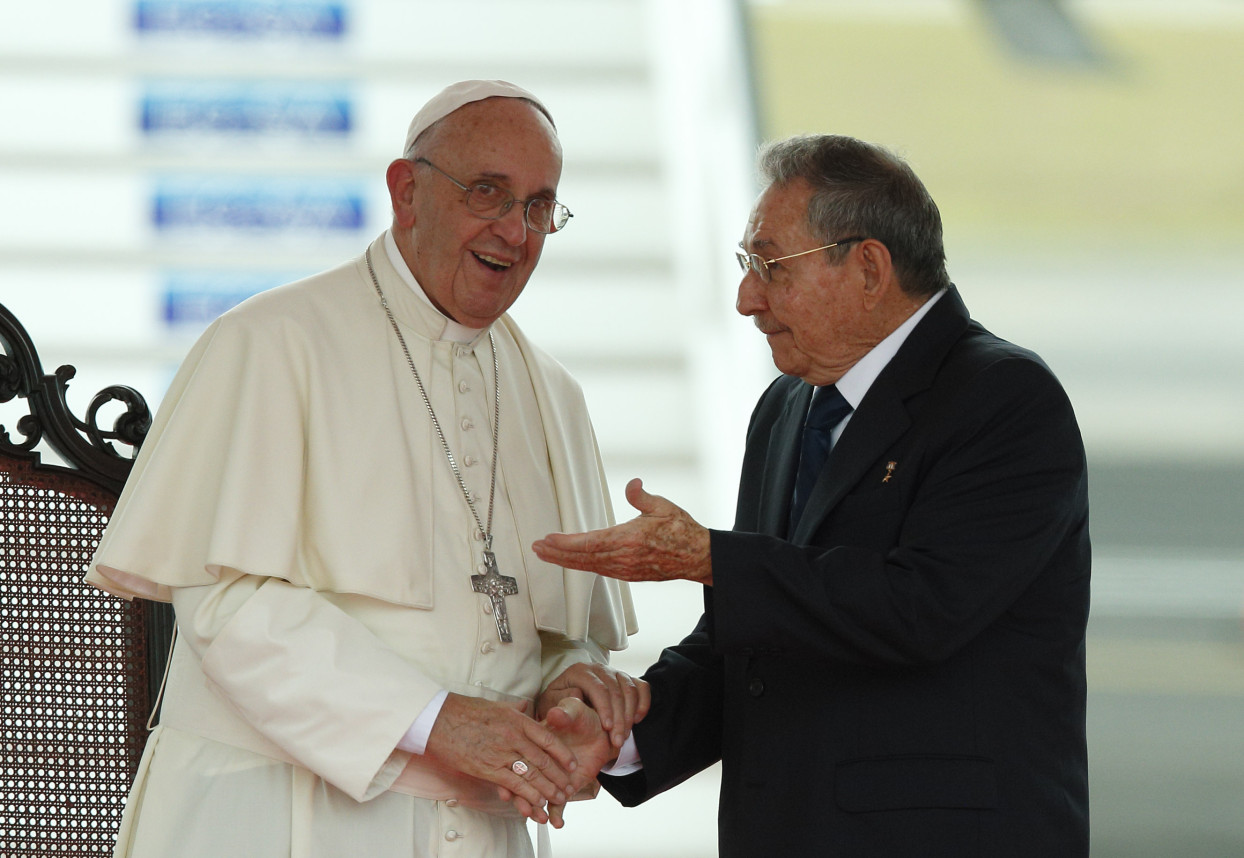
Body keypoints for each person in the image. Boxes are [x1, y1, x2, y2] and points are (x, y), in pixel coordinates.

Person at [86, 80, 649, 858]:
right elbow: (227, 603)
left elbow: (548, 630)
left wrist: (572, 686)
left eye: (539, 206)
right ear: (406, 191)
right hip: (276, 816)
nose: (516, 231)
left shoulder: (553, 394)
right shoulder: (271, 342)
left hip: (487, 830)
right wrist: (432, 718)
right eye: (488, 193)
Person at [533, 134, 1091, 857]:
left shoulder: (1004, 399)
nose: (745, 298)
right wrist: (624, 731)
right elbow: (757, 639)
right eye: (746, 266)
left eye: (768, 266)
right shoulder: (787, 408)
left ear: (867, 267)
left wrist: (711, 559)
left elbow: (921, 609)